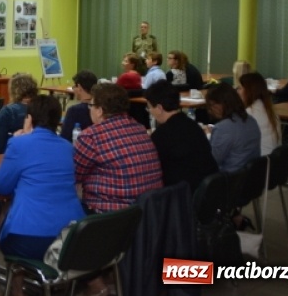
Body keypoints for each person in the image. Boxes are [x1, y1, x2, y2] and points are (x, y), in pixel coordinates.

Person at [0, 95, 85, 296]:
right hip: (70, 236)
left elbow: (0, 186)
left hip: (29, 238)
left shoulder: (19, 145)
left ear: (29, 119)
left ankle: (16, 292)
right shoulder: (68, 147)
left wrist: (16, 141)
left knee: (6, 231)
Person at [74, 83, 163, 213]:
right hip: (149, 212)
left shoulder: (91, 136)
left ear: (100, 111)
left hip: (110, 216)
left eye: (91, 105)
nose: (89, 109)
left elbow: (74, 176)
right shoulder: (139, 128)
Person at [145, 80, 218, 192]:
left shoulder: (161, 136)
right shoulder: (194, 126)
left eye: (149, 107)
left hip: (182, 198)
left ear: (159, 108)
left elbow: (152, 171)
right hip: (209, 192)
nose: (149, 111)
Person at [205, 83, 261, 172]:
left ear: (220, 105)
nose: (209, 110)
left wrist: (207, 138)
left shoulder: (223, 128)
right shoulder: (251, 120)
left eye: (211, 105)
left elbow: (211, 162)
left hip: (229, 179)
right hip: (250, 177)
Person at [238, 72, 281, 156]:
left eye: (240, 88)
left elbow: (234, 140)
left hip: (258, 162)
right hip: (273, 161)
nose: (238, 92)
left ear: (248, 91)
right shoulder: (268, 109)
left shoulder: (250, 113)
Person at [60, 70, 97, 142]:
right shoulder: (101, 107)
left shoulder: (74, 111)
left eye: (74, 86)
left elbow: (65, 138)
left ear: (79, 87)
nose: (73, 89)